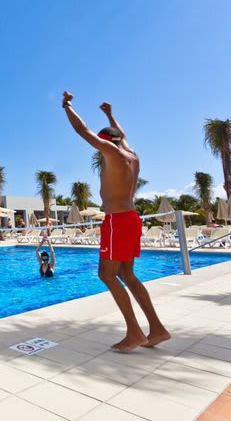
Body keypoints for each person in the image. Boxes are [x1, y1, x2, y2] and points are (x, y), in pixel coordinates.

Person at [62, 91, 170, 351]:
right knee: (127, 274)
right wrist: (110, 114)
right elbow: (122, 133)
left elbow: (83, 130)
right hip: (131, 218)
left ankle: (134, 332)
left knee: (106, 274)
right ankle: (156, 329)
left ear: (105, 141)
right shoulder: (131, 154)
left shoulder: (112, 152)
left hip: (117, 221)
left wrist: (66, 105)